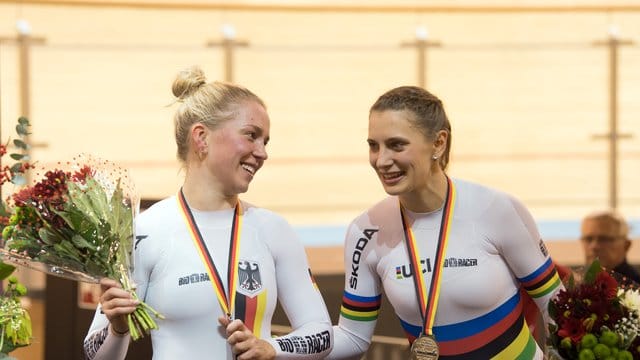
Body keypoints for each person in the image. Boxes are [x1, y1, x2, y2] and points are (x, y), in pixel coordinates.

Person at [83, 66, 333, 360]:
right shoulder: (144, 231)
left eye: (265, 141)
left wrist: (272, 348)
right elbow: (92, 353)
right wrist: (118, 329)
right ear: (201, 138)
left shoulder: (273, 230)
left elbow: (321, 333)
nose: (262, 152)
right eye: (251, 135)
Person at [328, 86, 564, 359]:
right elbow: (352, 337)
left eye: (396, 145)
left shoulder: (497, 210)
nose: (381, 160)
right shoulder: (365, 230)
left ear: (438, 143)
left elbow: (556, 308)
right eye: (373, 146)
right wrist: (278, 349)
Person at [580, 210, 640, 284]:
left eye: (604, 239)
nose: (594, 246)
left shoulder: (635, 288)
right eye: (588, 239)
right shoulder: (577, 287)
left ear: (626, 245)